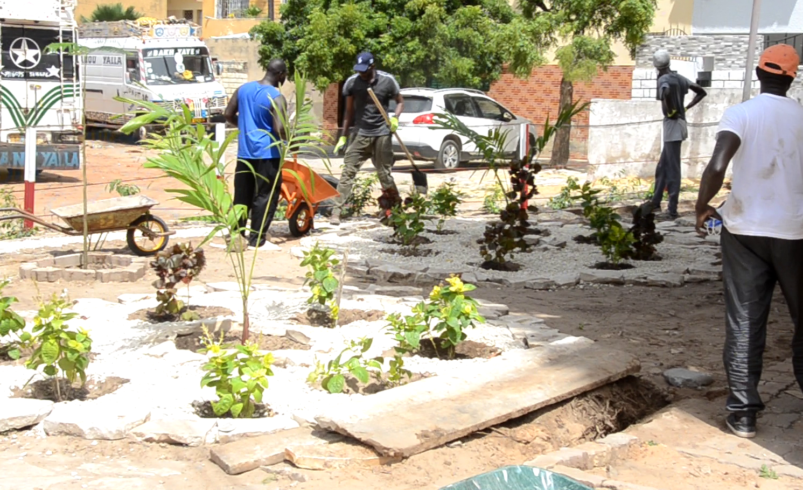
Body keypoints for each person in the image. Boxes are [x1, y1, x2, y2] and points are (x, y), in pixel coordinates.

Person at [695, 44, 803, 439]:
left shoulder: (740, 113)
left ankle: (742, 415)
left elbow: (718, 165)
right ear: (792, 78)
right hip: (795, 232)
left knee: (744, 322)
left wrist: (702, 207)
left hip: (743, 232)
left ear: (759, 74)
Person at [329, 52, 404, 225]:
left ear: (372, 66)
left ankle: (395, 209)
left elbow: (400, 101)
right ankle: (336, 212)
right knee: (348, 171)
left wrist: (395, 118)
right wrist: (343, 137)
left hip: (382, 134)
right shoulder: (352, 82)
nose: (361, 74)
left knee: (384, 174)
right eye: (359, 70)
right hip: (360, 133)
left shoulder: (388, 80)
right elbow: (349, 111)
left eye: (365, 70)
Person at [224, 59, 288, 248]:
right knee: (265, 196)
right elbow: (280, 128)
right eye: (285, 76)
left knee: (242, 196)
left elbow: (228, 115)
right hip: (268, 154)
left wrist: (243, 127)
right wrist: (291, 141)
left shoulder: (243, 89)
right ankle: (257, 239)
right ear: (280, 74)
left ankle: (236, 236)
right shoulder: (276, 97)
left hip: (245, 153)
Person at [648, 49, 707, 219]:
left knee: (672, 167)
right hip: (678, 123)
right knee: (663, 166)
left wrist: (670, 109)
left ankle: (672, 209)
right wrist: (686, 108)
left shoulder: (663, 79)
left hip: (673, 123)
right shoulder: (679, 78)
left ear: (656, 65)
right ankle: (656, 201)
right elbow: (701, 91)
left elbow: (665, 91)